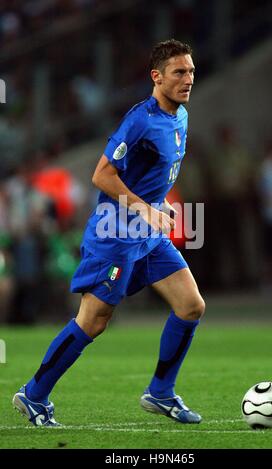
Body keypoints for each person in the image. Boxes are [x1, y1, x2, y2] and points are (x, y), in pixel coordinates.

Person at [12, 39, 205, 426]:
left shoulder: (179, 115)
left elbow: (151, 171)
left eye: (192, 72)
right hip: (114, 234)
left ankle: (161, 392)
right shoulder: (140, 120)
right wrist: (145, 207)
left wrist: (158, 201)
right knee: (94, 321)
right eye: (179, 73)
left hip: (147, 234)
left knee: (191, 305)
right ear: (157, 77)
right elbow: (101, 174)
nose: (188, 80)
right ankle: (33, 395)